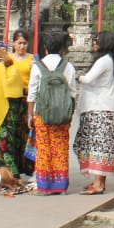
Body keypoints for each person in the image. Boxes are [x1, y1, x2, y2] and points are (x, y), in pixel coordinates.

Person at [27, 31, 77, 195]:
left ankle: (44, 186)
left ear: (45, 48)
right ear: (62, 48)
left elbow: (32, 93)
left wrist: (30, 115)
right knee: (60, 147)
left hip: (42, 113)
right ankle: (60, 185)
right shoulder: (68, 67)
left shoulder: (37, 66)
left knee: (43, 148)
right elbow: (72, 93)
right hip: (63, 114)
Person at [73, 31, 114, 195]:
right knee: (100, 146)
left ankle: (99, 184)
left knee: (99, 147)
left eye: (96, 41)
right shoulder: (108, 60)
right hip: (103, 107)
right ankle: (98, 181)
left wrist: (77, 76)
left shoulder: (104, 61)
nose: (94, 44)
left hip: (100, 108)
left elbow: (88, 79)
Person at [0, 29, 35, 176]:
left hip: (26, 100)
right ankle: (12, 169)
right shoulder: (6, 59)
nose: (22, 46)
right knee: (11, 137)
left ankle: (25, 169)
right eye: (19, 43)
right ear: (14, 43)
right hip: (9, 100)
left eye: (24, 43)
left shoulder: (33, 59)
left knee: (24, 138)